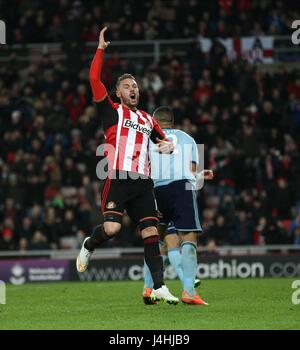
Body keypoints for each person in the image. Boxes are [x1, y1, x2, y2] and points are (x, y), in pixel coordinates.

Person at [76, 27, 179, 304]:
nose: (133, 89)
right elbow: (93, 78)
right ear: (118, 93)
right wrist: (100, 49)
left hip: (143, 183)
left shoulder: (147, 118)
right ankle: (89, 244)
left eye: (135, 86)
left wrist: (169, 146)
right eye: (127, 86)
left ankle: (159, 286)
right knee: (111, 230)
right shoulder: (110, 110)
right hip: (119, 177)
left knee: (150, 233)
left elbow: (166, 141)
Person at [143, 106, 213, 305]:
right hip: (181, 188)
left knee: (155, 240)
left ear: (155, 122)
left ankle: (148, 289)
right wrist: (200, 176)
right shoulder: (187, 138)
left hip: (156, 190)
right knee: (188, 236)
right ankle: (189, 291)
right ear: (172, 121)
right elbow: (192, 173)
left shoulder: (148, 140)